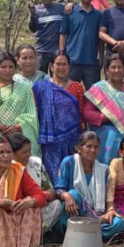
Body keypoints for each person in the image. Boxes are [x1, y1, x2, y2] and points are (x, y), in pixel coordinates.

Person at [54, 132, 124, 241]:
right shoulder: (69, 163)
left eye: (96, 147)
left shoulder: (103, 170)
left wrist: (109, 211)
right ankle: (72, 234)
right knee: (73, 193)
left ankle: (84, 235)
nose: (93, 150)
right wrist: (67, 196)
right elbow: (59, 189)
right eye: (88, 146)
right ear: (79, 148)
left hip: (95, 215)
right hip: (74, 211)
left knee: (119, 223)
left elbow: (107, 197)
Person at [84, 53, 124, 165]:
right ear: (107, 70)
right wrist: (106, 117)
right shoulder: (98, 88)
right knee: (112, 134)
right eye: (113, 67)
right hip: (106, 130)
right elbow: (87, 113)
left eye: (120, 67)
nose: (117, 70)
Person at [32, 51, 83, 182]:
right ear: (51, 66)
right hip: (51, 140)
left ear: (69, 67)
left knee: (72, 175)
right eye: (58, 64)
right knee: (53, 176)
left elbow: (81, 112)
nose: (61, 67)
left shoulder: (77, 87)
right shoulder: (40, 87)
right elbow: (36, 111)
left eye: (64, 64)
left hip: (72, 140)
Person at [0, 51, 41, 157]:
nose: (8, 70)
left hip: (19, 134)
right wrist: (1, 128)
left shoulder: (25, 89)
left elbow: (31, 114)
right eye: (3, 67)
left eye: (11, 67)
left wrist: (17, 127)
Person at [8, 133, 63, 233]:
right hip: (13, 212)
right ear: (12, 153)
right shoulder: (6, 166)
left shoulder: (35, 164)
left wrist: (38, 198)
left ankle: (34, 235)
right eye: (24, 152)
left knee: (57, 205)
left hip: (35, 208)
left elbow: (52, 192)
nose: (29, 155)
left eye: (29, 150)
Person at [59, 0, 102, 90]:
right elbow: (63, 34)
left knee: (93, 95)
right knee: (69, 93)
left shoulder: (98, 15)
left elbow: (101, 40)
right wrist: (62, 54)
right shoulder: (70, 12)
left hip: (91, 62)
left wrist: (101, 58)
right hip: (72, 61)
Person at [29, 0, 64, 74]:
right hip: (41, 51)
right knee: (39, 78)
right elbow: (33, 29)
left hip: (57, 51)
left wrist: (71, 4)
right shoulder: (35, 9)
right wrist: (32, 14)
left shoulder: (61, 8)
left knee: (57, 78)